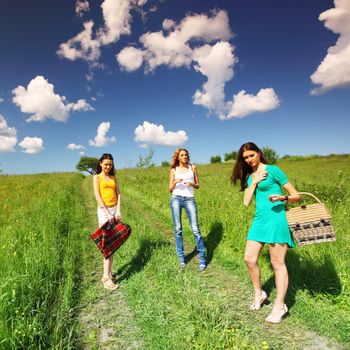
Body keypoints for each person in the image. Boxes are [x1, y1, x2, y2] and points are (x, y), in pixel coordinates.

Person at [231, 142, 301, 324]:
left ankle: (280, 305)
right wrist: (253, 181)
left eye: (251, 155)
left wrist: (282, 197)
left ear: (259, 153)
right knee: (249, 258)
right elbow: (246, 202)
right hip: (259, 221)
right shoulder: (250, 177)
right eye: (245, 158)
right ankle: (259, 293)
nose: (249, 160)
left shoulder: (273, 170)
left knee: (277, 263)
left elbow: (297, 195)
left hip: (277, 219)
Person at [169, 148, 206, 271]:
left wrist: (192, 184)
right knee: (178, 229)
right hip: (176, 199)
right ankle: (181, 259)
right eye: (182, 155)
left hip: (190, 199)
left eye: (186, 155)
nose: (184, 157)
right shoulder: (173, 170)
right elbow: (170, 188)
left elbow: (198, 185)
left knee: (195, 229)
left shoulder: (193, 168)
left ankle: (202, 258)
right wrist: (175, 181)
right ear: (178, 157)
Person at [93, 153, 121, 291]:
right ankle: (105, 277)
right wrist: (108, 213)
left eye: (110, 164)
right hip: (104, 212)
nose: (108, 167)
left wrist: (118, 211)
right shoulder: (96, 178)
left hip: (115, 210)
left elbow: (119, 194)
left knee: (113, 244)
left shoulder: (113, 177)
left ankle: (109, 273)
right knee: (107, 245)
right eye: (105, 164)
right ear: (100, 164)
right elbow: (97, 196)